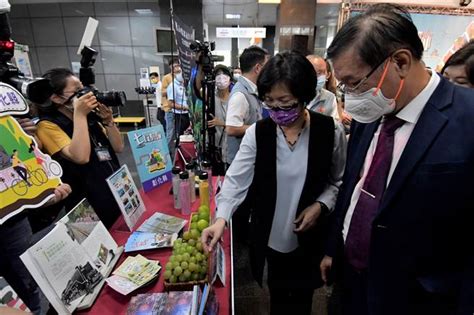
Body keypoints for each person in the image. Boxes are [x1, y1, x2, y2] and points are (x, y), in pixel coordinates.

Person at [319, 4, 474, 315]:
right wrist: (333, 247)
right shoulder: (373, 109)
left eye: (355, 83)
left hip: (418, 297)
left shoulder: (467, 118)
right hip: (351, 281)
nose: (349, 96)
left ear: (400, 62)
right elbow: (355, 183)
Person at [201, 51, 347, 315]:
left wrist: (320, 205)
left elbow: (338, 182)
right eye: (269, 102)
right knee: (277, 298)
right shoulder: (259, 133)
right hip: (271, 237)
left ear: (305, 98)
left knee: (303, 301)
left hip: (310, 237)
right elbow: (235, 180)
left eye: (285, 102)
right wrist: (221, 219)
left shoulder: (330, 131)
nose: (277, 111)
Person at [36, 68, 124, 228]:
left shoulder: (90, 117)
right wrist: (80, 115)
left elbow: (118, 147)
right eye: (77, 91)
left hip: (113, 190)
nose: (86, 93)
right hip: (86, 202)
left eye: (83, 87)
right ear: (56, 98)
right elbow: (80, 157)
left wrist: (108, 121)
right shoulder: (47, 125)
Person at [226, 46, 269, 166]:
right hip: (240, 163)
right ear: (258, 68)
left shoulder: (252, 90)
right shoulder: (240, 94)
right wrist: (262, 128)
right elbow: (231, 128)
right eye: (267, 67)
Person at [207, 65, 233, 166]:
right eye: (218, 74)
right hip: (215, 143)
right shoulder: (210, 98)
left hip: (231, 144)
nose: (221, 77)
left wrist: (221, 123)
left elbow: (242, 123)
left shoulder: (235, 97)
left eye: (224, 74)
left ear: (230, 79)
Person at [166, 63, 190, 152]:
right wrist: (184, 107)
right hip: (179, 115)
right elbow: (170, 104)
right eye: (179, 72)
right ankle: (178, 156)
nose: (181, 74)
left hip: (187, 114)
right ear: (175, 73)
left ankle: (186, 153)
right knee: (179, 136)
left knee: (187, 136)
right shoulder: (172, 86)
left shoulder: (183, 84)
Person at [163, 59, 181, 145]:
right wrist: (173, 88)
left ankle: (179, 152)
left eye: (177, 66)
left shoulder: (182, 76)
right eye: (173, 66)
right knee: (170, 132)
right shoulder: (166, 78)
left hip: (180, 109)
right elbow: (163, 93)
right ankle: (166, 153)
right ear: (170, 67)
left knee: (181, 131)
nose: (176, 68)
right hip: (170, 109)